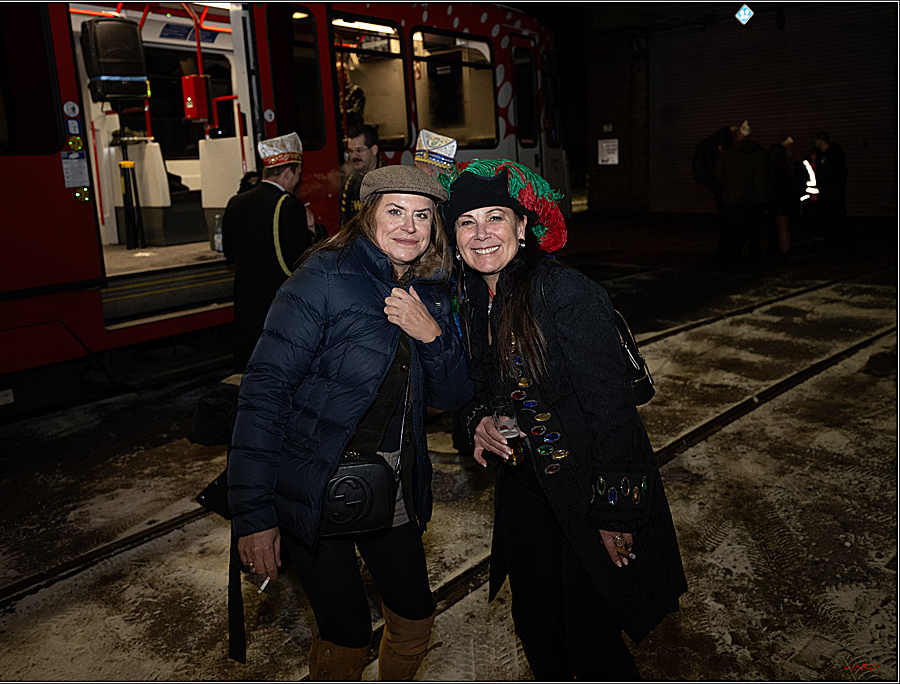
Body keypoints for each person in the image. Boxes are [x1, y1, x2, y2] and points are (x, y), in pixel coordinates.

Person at [442, 159, 687, 681]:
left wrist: (616, 515)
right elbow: (475, 395)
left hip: (587, 492)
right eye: (467, 222)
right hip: (526, 494)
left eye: (495, 218)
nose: (482, 234)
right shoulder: (470, 301)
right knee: (536, 623)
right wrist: (477, 423)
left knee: (593, 639)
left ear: (523, 227)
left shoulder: (566, 293)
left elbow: (614, 414)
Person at [228, 165, 473, 680]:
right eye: (396, 212)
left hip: (394, 482)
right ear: (368, 216)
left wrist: (430, 334)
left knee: (413, 615)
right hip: (313, 485)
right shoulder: (323, 277)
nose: (409, 226)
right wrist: (254, 515)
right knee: (346, 634)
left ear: (435, 226)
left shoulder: (432, 288)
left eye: (423, 216)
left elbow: (452, 395)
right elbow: (263, 393)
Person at [222, 132, 321, 372]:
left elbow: (229, 254)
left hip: (245, 299)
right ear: (288, 173)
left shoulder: (235, 201)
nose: (297, 181)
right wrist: (313, 231)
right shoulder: (288, 204)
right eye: (297, 174)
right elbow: (299, 262)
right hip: (277, 306)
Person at [714, 120, 773, 269]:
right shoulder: (762, 154)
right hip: (756, 200)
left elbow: (718, 176)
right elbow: (768, 175)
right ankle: (755, 261)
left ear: (738, 136)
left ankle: (732, 260)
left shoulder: (728, 155)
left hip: (735, 200)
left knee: (735, 232)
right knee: (755, 233)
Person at [339, 124, 385, 226]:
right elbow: (344, 224)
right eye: (350, 151)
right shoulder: (350, 183)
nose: (354, 156)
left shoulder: (390, 179)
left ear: (374, 150)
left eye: (359, 150)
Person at [813, 131, 848, 254]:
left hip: (834, 193)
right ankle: (831, 243)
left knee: (837, 218)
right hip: (825, 193)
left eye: (816, 140)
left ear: (820, 140)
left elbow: (840, 173)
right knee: (827, 218)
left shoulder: (834, 154)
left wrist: (836, 188)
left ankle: (843, 244)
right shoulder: (820, 155)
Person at [769, 135, 798, 261]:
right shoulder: (788, 165)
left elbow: (779, 186)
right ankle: (785, 249)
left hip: (782, 201)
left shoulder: (779, 168)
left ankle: (785, 251)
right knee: (784, 227)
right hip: (787, 200)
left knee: (782, 227)